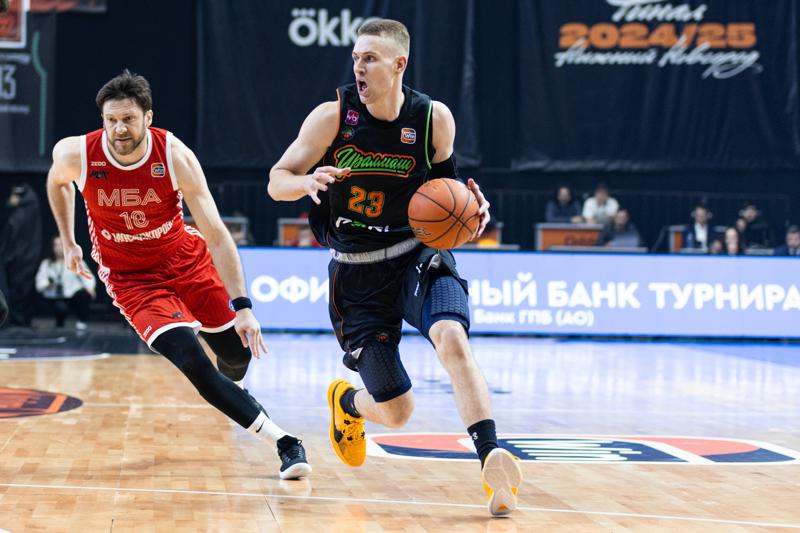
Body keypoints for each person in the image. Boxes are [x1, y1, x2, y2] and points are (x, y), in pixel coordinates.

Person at [268, 19, 522, 516]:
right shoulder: (332, 118)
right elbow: (277, 179)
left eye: (370, 58)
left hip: (416, 255)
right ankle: (348, 404)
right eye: (356, 58)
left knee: (452, 337)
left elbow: (449, 194)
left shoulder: (432, 120)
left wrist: (474, 209)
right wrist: (305, 182)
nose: (358, 67)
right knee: (398, 410)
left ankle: (491, 455)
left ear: (399, 64)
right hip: (357, 273)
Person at [46, 70, 310, 480]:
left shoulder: (174, 156)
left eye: (128, 119)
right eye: (111, 120)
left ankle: (235, 395)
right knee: (191, 359)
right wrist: (68, 241)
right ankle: (286, 442)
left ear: (148, 118)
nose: (119, 129)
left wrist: (243, 307)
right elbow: (57, 182)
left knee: (235, 356)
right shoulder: (76, 153)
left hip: (186, 261)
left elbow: (217, 234)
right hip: (133, 280)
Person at [2, 184, 42, 327]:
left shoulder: (22, 212)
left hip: (21, 256)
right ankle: (19, 319)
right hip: (23, 256)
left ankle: (20, 320)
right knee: (18, 289)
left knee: (20, 289)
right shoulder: (26, 210)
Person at [35, 236, 97, 329]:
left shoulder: (74, 261)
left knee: (83, 295)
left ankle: (81, 320)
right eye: (56, 245)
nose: (59, 248)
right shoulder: (46, 264)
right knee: (60, 308)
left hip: (72, 294)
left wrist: (90, 287)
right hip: (55, 297)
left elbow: (86, 276)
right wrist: (48, 284)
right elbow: (39, 284)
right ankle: (60, 322)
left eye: (61, 245)